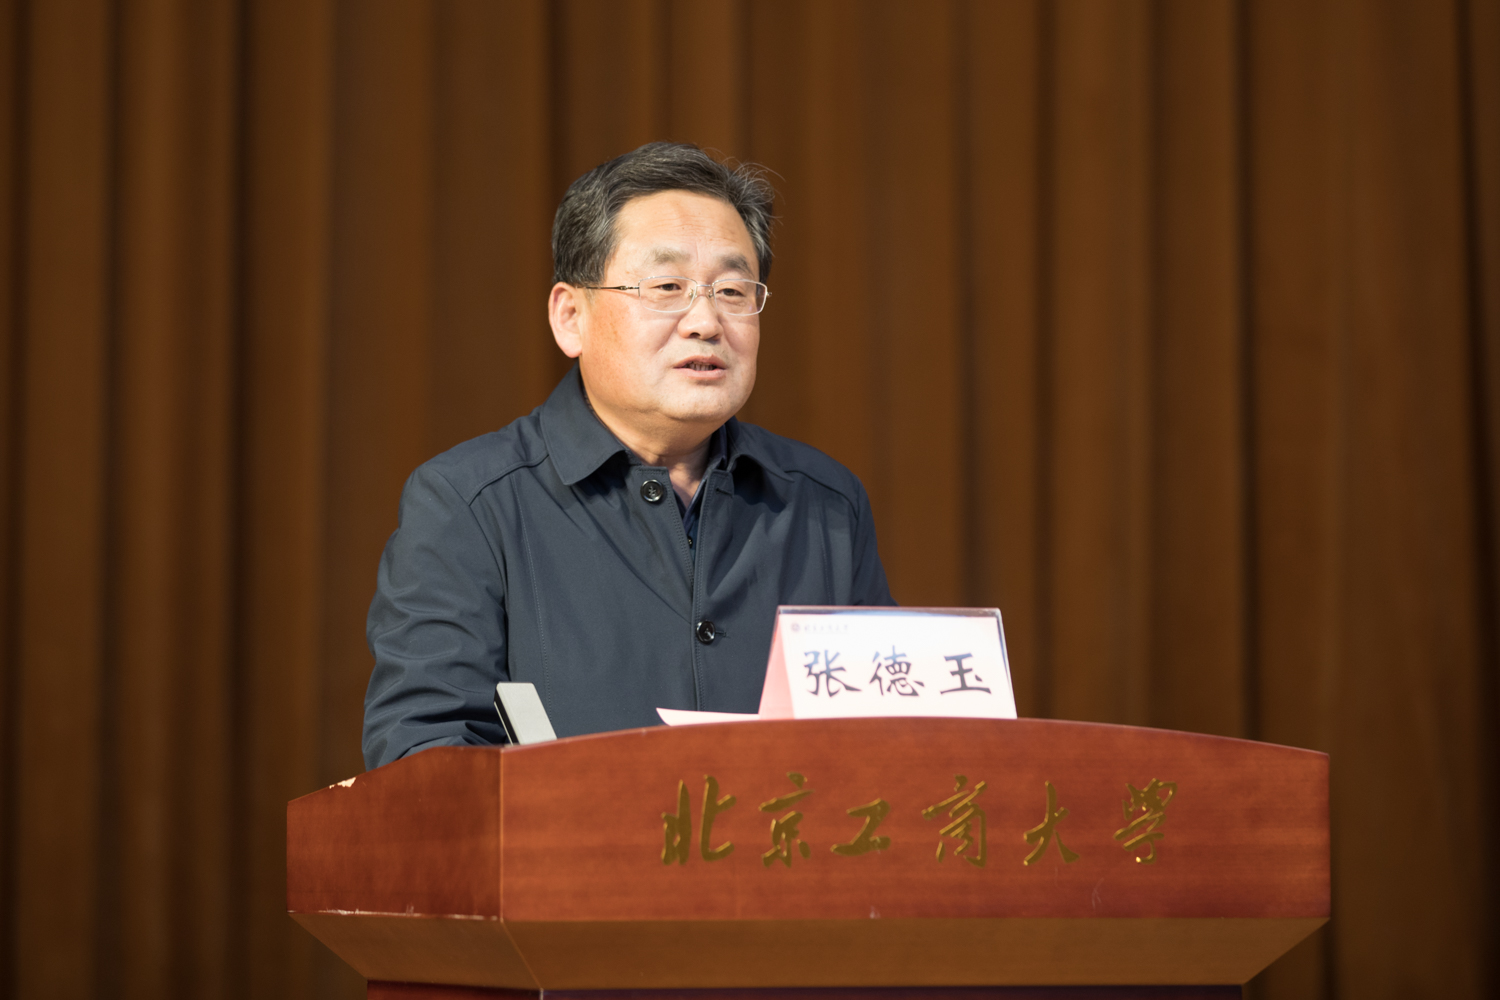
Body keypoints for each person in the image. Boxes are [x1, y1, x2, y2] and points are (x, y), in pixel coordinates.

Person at [362, 142, 894, 769]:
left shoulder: (824, 503)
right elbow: (426, 756)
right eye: (667, 286)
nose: (706, 321)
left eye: (732, 290)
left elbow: (888, 742)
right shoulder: (469, 505)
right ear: (571, 316)